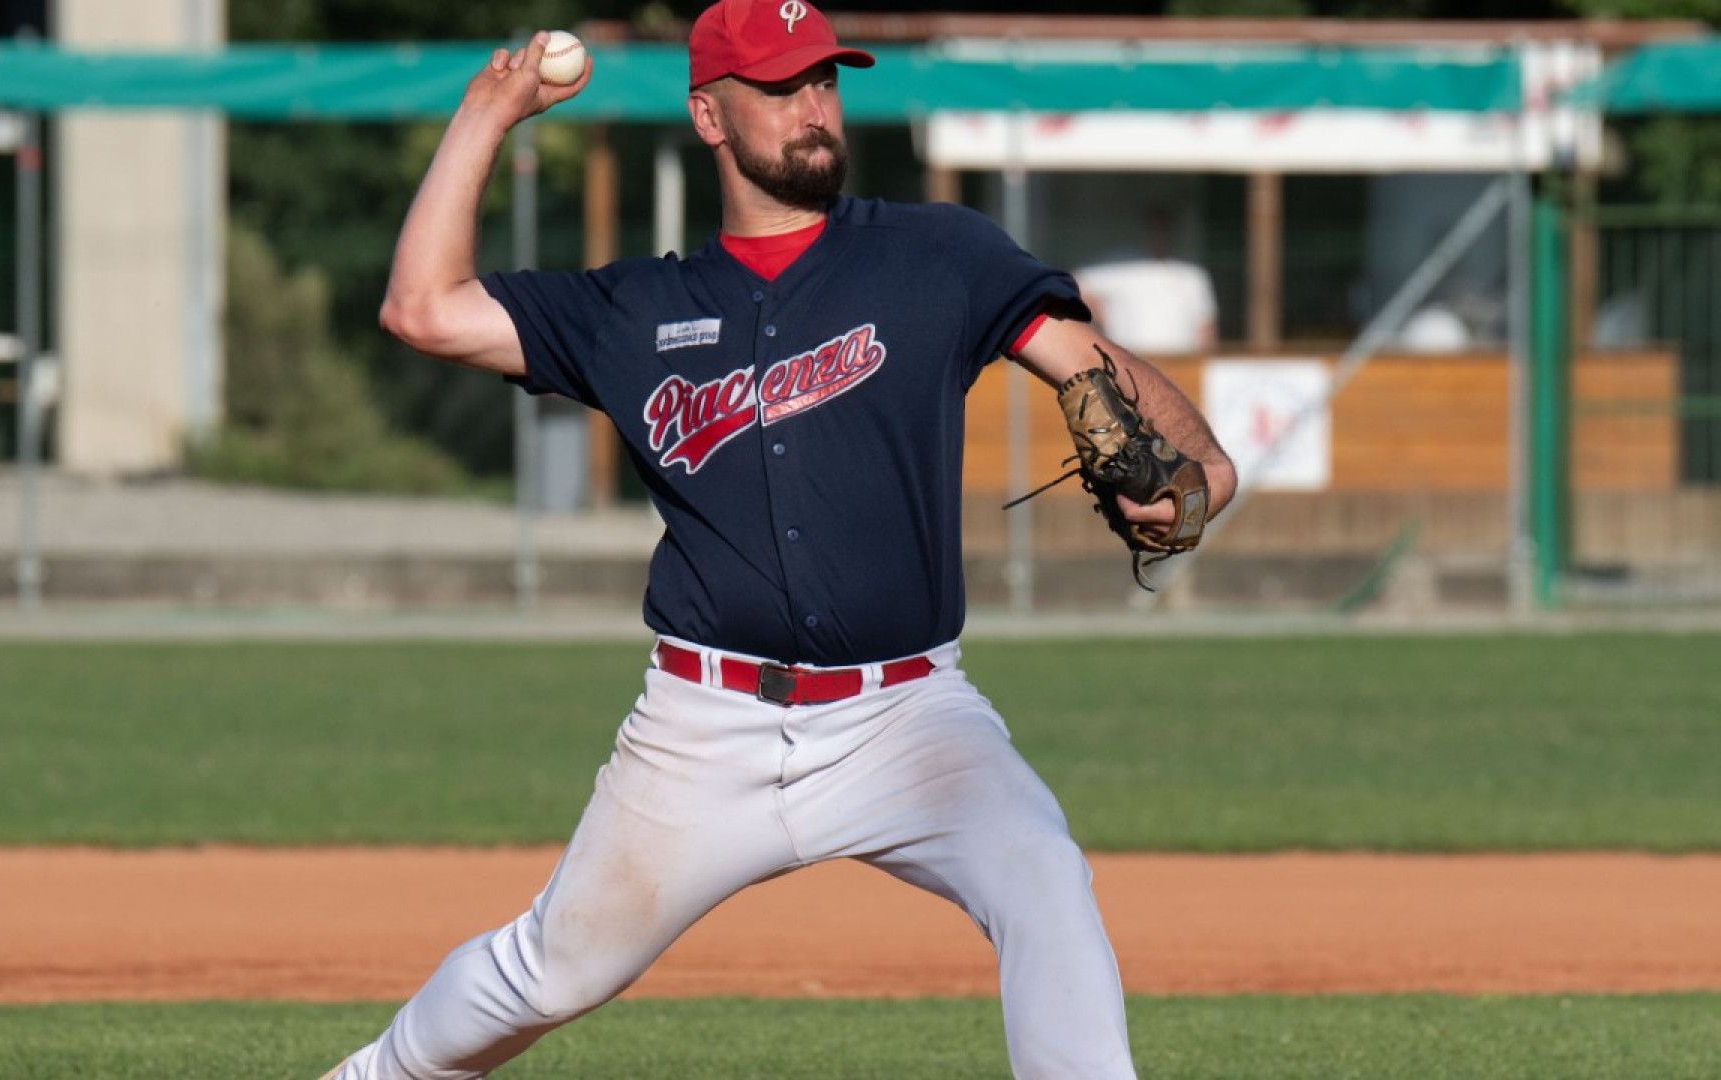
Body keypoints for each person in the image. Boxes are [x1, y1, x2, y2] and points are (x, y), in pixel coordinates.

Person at [322, 2, 1235, 1077]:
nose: (812, 106)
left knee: (1040, 871)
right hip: (702, 727)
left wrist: (1204, 467)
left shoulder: (936, 254)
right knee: (550, 973)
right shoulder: (637, 306)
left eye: (823, 81)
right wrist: (488, 113)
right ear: (709, 116)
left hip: (909, 716)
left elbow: (1090, 361)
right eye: (779, 86)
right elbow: (422, 309)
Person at [1072, 207, 1218, 355]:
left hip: (1182, 363)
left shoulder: (1192, 274)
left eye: (1164, 228)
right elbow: (1075, 283)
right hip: (1130, 360)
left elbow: (1205, 328)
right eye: (1155, 229)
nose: (1159, 235)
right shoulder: (1121, 265)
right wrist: (1103, 318)